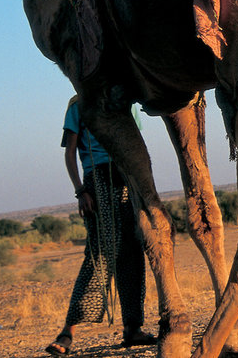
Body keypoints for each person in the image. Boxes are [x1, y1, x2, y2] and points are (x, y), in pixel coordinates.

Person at [45, 96, 156, 355]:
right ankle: (67, 333)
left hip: (128, 177)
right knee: (99, 254)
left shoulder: (124, 101)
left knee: (132, 253)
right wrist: (80, 190)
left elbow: (135, 142)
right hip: (97, 180)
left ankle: (133, 328)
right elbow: (70, 151)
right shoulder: (78, 105)